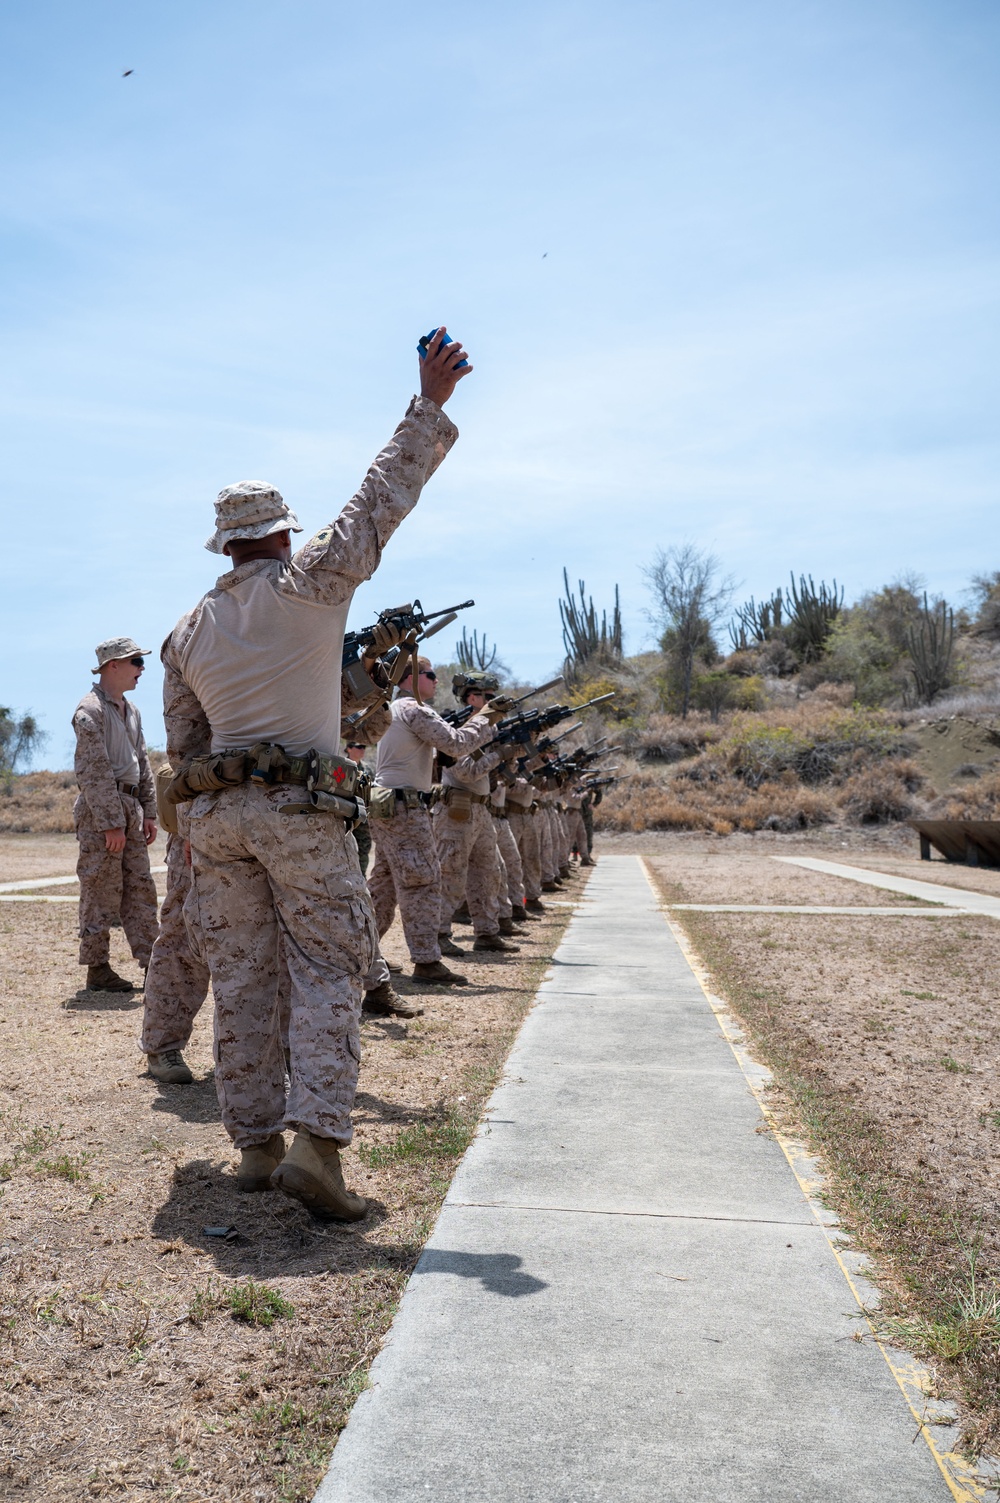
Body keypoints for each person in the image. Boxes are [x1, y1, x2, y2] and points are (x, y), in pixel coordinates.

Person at [160, 328, 471, 1220]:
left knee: (244, 978)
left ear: (225, 545)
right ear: (282, 531)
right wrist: (429, 405)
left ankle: (255, 1145)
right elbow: (377, 501)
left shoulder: (185, 633)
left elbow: (184, 747)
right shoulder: (310, 582)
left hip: (220, 825)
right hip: (301, 814)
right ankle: (318, 1147)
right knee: (332, 967)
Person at [367, 658, 499, 985]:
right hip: (405, 807)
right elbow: (456, 743)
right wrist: (487, 717)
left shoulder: (393, 709)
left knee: (383, 886)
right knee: (422, 882)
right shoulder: (414, 709)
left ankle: (363, 953)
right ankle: (426, 961)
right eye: (430, 675)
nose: (436, 681)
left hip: (388, 805)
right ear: (410, 678)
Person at [72, 638, 159, 992]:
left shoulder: (132, 710)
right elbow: (92, 771)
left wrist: (149, 811)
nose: (142, 669)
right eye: (136, 661)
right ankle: (97, 968)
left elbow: (143, 762)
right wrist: (111, 823)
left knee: (141, 889)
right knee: (100, 888)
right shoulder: (90, 710)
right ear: (113, 665)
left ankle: (153, 965)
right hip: (102, 811)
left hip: (131, 807)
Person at [433, 675, 520, 956]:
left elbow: (496, 774)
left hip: (481, 810)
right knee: (452, 873)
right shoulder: (456, 731)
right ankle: (439, 933)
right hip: (458, 810)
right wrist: (499, 755)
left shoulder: (488, 732)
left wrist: (511, 752)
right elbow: (467, 772)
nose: (494, 702)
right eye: (489, 697)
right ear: (473, 698)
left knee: (489, 872)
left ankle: (487, 932)